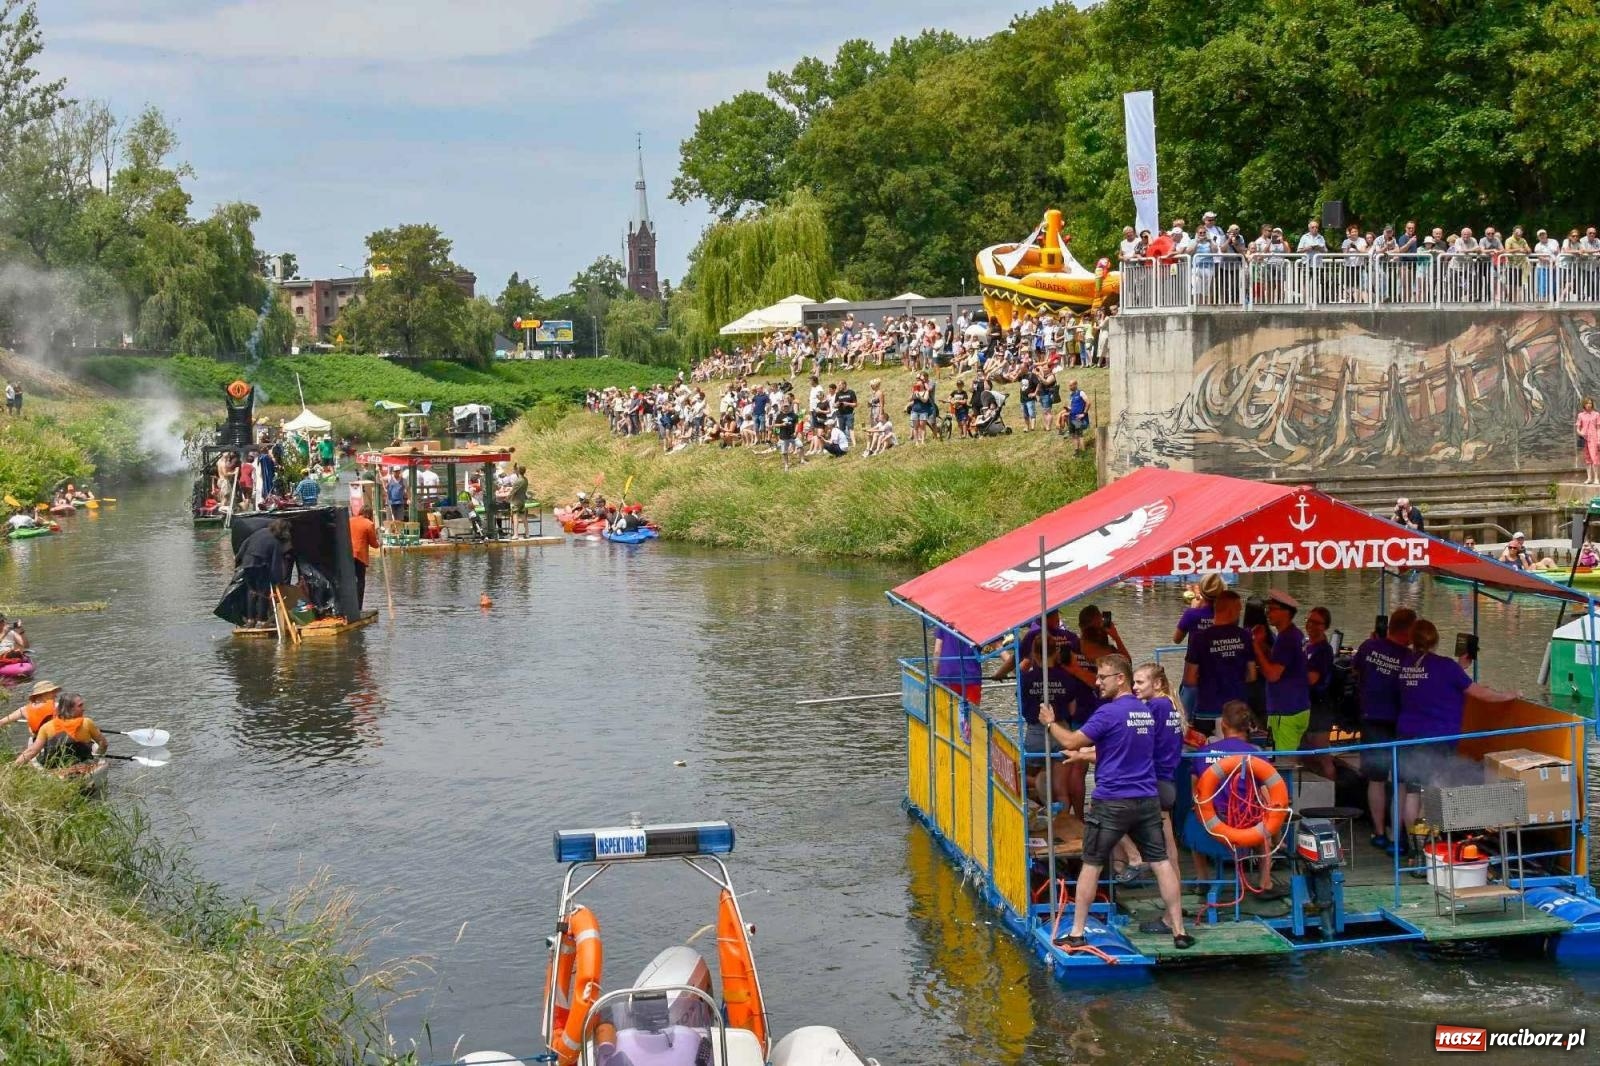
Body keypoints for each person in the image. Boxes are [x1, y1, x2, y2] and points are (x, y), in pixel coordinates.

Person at [1039, 655, 1194, 951]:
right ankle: (1179, 931)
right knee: (1161, 862)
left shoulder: (1108, 713)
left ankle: (1076, 932)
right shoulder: (1146, 713)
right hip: (1147, 797)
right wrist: (1086, 755)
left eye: (1102, 677)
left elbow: (1071, 740)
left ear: (1119, 679)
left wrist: (1050, 724)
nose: (1097, 682)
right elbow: (1118, 749)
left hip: (1112, 799)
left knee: (1092, 863)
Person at [1395, 619, 1517, 832]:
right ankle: (1429, 847)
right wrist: (1509, 695)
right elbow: (1481, 694)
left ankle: (1414, 847)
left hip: (1407, 735)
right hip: (1436, 739)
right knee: (1433, 791)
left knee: (1413, 793)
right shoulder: (1446, 667)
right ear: (1436, 639)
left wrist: (1459, 667)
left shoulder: (1406, 663)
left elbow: (1430, 682)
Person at [1181, 700, 1270, 892]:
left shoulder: (1203, 753)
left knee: (1193, 816)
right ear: (1247, 727)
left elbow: (1195, 793)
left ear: (1223, 724)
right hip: (1244, 827)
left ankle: (1202, 878)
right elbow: (1267, 795)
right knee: (1266, 828)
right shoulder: (1256, 754)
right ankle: (1265, 881)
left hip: (1208, 829)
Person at [1354, 607, 1415, 853]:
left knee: (1376, 779)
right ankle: (1396, 837)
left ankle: (1379, 832)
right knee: (1399, 780)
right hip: (1398, 722)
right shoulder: (1409, 657)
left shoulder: (1368, 647)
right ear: (1408, 630)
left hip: (1370, 717)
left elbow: (1356, 671)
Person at [1183, 590, 1256, 735]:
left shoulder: (1199, 638)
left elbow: (1189, 680)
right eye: (1239, 609)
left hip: (1206, 710)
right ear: (1232, 610)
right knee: (1237, 755)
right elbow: (1252, 675)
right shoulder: (1245, 636)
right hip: (1237, 713)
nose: (1240, 613)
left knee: (1207, 754)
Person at [1251, 589, 1311, 757]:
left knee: (1283, 764)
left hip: (1285, 712)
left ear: (1285, 612)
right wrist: (1262, 645)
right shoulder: (1293, 634)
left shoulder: (1286, 639)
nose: (1267, 612)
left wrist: (1254, 646)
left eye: (1272, 608)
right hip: (1298, 707)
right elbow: (1280, 662)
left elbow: (1272, 674)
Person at [13, 691, 104, 770]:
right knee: (94, 747)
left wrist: (13, 767)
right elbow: (103, 743)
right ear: (70, 708)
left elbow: (32, 751)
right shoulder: (87, 722)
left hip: (55, 767)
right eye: (80, 706)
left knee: (35, 761)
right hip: (82, 764)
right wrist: (97, 758)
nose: (84, 708)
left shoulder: (46, 727)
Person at [236, 518, 292, 629]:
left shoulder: (260, 531)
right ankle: (261, 620)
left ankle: (250, 620)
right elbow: (276, 565)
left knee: (252, 591)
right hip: (259, 564)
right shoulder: (276, 542)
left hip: (247, 563)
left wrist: (238, 560)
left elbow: (244, 546)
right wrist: (278, 582)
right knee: (263, 591)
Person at [349, 506, 380, 608]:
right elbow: (373, 544)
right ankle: (358, 607)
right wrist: (380, 542)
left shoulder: (350, 520)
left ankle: (349, 606)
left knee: (349, 580)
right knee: (360, 581)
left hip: (348, 554)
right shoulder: (369, 524)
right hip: (359, 555)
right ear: (370, 514)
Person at [1577, 397, 1600, 485]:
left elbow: (1598, 428)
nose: (1589, 405)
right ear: (1584, 404)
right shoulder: (1580, 415)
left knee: (1595, 458)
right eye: (1587, 403)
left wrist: (1599, 439)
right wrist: (1581, 433)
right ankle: (1589, 478)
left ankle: (1596, 478)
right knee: (1587, 459)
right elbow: (1578, 428)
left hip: (1594, 438)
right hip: (1584, 438)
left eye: (1590, 403)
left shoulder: (1596, 414)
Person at [1064, 380, 1090, 451]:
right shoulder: (1071, 395)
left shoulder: (1081, 393)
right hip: (1071, 417)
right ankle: (1076, 450)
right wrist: (1067, 409)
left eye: (1071, 385)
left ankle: (1084, 451)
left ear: (1075, 385)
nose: (1070, 387)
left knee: (1079, 435)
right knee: (1073, 435)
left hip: (1077, 418)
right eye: (1069, 385)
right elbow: (1071, 407)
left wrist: (1083, 414)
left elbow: (1088, 403)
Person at [505, 463, 530, 537]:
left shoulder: (518, 481)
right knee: (523, 516)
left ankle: (516, 534)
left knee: (515, 516)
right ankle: (527, 533)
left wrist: (507, 498)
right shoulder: (525, 480)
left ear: (518, 471)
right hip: (522, 500)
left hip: (516, 501)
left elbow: (513, 491)